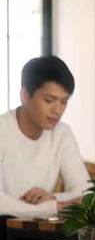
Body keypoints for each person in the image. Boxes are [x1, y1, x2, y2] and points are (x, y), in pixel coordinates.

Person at [0, 56, 89, 218]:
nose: (57, 110)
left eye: (64, 102)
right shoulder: (3, 130)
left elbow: (85, 191)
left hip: (39, 228)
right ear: (25, 95)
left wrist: (54, 199)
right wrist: (51, 208)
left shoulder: (62, 133)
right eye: (49, 100)